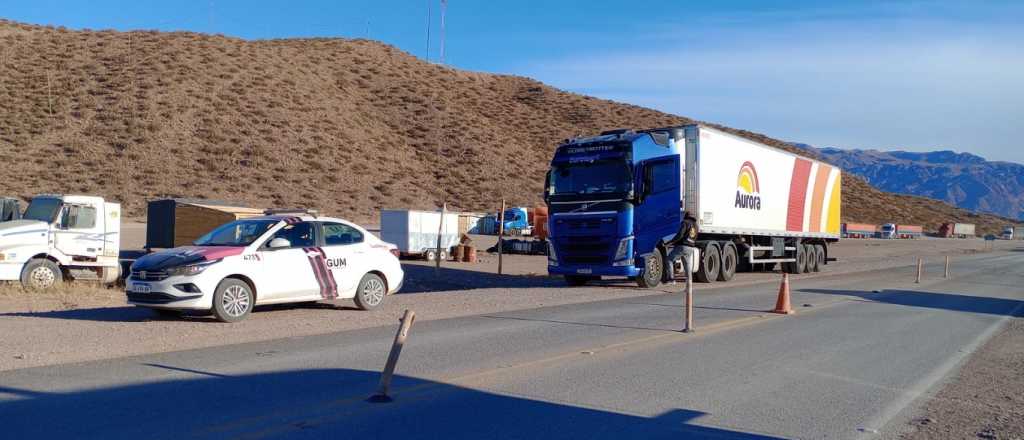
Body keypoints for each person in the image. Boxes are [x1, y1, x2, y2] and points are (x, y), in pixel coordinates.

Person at [664, 214, 698, 282]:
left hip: (683, 246)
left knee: (669, 259)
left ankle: (670, 278)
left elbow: (680, 235)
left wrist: (670, 242)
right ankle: (689, 280)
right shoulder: (696, 225)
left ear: (686, 216)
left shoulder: (685, 222)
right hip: (691, 247)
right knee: (687, 264)